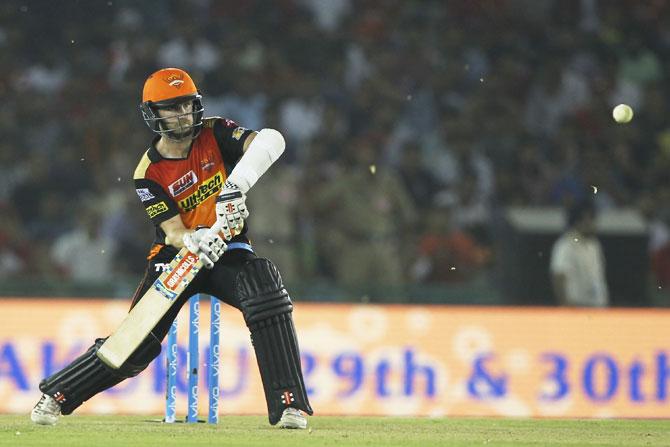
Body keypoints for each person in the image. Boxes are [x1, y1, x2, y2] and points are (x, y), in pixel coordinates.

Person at [31, 68, 313, 429]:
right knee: (137, 343)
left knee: (265, 291)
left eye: (186, 105)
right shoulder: (148, 171)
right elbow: (172, 230)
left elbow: (272, 140)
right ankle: (56, 395)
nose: (182, 114)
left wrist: (235, 187)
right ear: (154, 113)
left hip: (230, 249)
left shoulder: (216, 131)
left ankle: (289, 404)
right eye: (171, 108)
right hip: (177, 256)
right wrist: (194, 239)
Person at [550, 198, 609, 307]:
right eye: (591, 219)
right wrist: (564, 304)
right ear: (579, 221)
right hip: (576, 307)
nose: (594, 223)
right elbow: (558, 276)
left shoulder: (594, 245)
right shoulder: (565, 245)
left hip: (597, 307)